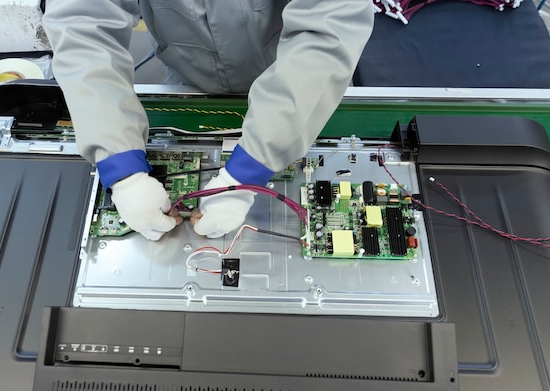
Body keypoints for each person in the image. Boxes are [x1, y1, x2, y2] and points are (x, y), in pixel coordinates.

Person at [42, 0, 373, 240]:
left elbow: (328, 29)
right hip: (188, 73)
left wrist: (249, 170)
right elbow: (82, 23)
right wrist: (119, 164)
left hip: (297, 75)